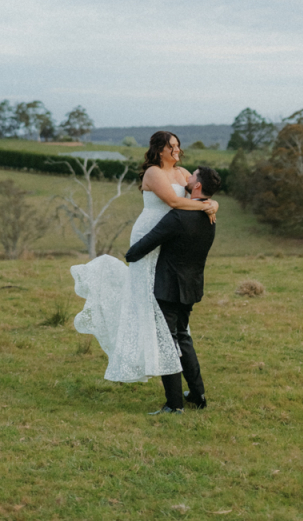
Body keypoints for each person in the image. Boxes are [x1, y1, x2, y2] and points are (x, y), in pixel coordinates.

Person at [71, 132, 218, 387]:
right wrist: (207, 206)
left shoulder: (183, 173)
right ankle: (152, 355)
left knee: (165, 301)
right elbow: (174, 201)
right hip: (151, 233)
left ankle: (167, 353)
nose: (177, 150)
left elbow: (198, 194)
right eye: (171, 146)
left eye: (178, 145)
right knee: (147, 298)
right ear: (159, 150)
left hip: (172, 234)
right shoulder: (153, 172)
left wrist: (213, 203)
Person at [125, 164, 222, 414]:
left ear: (197, 185)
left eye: (193, 176)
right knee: (183, 337)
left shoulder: (178, 216)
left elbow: (147, 243)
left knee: (166, 343)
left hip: (168, 287)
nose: (187, 177)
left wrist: (130, 255)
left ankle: (174, 404)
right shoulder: (210, 216)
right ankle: (198, 395)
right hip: (192, 286)